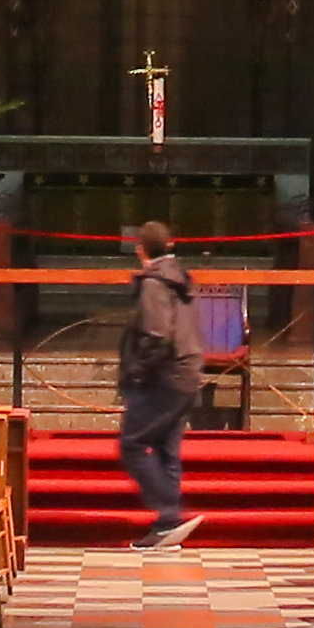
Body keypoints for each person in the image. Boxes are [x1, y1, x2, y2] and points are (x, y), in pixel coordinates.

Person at [115, 215, 199, 548]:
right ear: (171, 245)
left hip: (165, 376)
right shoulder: (180, 277)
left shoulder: (154, 282)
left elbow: (157, 334)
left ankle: (170, 509)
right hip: (188, 371)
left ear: (140, 249)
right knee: (166, 450)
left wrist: (137, 371)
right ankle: (167, 526)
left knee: (132, 444)